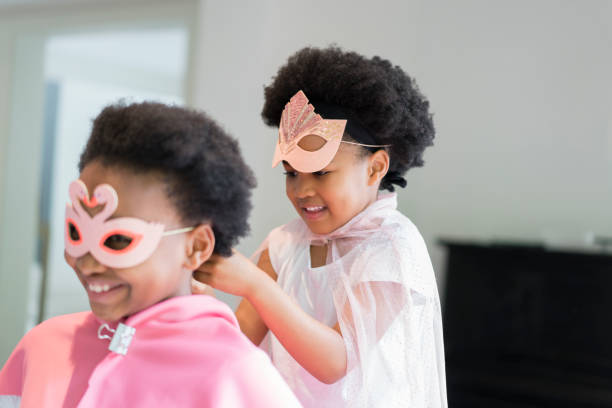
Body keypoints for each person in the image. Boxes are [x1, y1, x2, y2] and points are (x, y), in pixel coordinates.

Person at [0, 102, 301, 407]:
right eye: (77, 233)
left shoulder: (234, 374)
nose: (88, 264)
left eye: (116, 239)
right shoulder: (44, 346)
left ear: (196, 247)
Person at [194, 46, 447, 407]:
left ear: (375, 168)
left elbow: (334, 362)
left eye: (321, 173)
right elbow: (235, 349)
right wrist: (198, 295)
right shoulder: (282, 244)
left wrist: (254, 285)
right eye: (291, 173)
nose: (302, 190)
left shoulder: (391, 249)